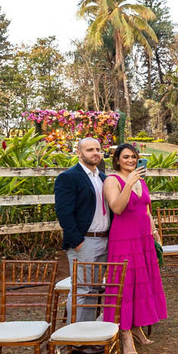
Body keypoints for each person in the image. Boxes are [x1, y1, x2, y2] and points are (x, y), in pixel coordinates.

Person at [103, 143, 167, 354]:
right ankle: (125, 333)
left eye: (133, 157)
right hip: (123, 239)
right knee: (125, 284)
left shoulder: (142, 180)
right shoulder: (112, 180)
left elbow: (146, 210)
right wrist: (129, 184)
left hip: (143, 239)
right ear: (117, 160)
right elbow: (117, 208)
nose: (130, 160)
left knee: (142, 283)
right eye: (126, 157)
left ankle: (138, 327)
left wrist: (154, 231)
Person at [54, 137, 111, 324]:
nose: (95, 153)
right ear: (79, 153)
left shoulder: (103, 178)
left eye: (97, 149)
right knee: (81, 290)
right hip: (84, 242)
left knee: (94, 289)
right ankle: (75, 336)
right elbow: (64, 212)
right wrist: (77, 241)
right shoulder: (69, 177)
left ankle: (88, 335)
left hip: (104, 240)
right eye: (89, 150)